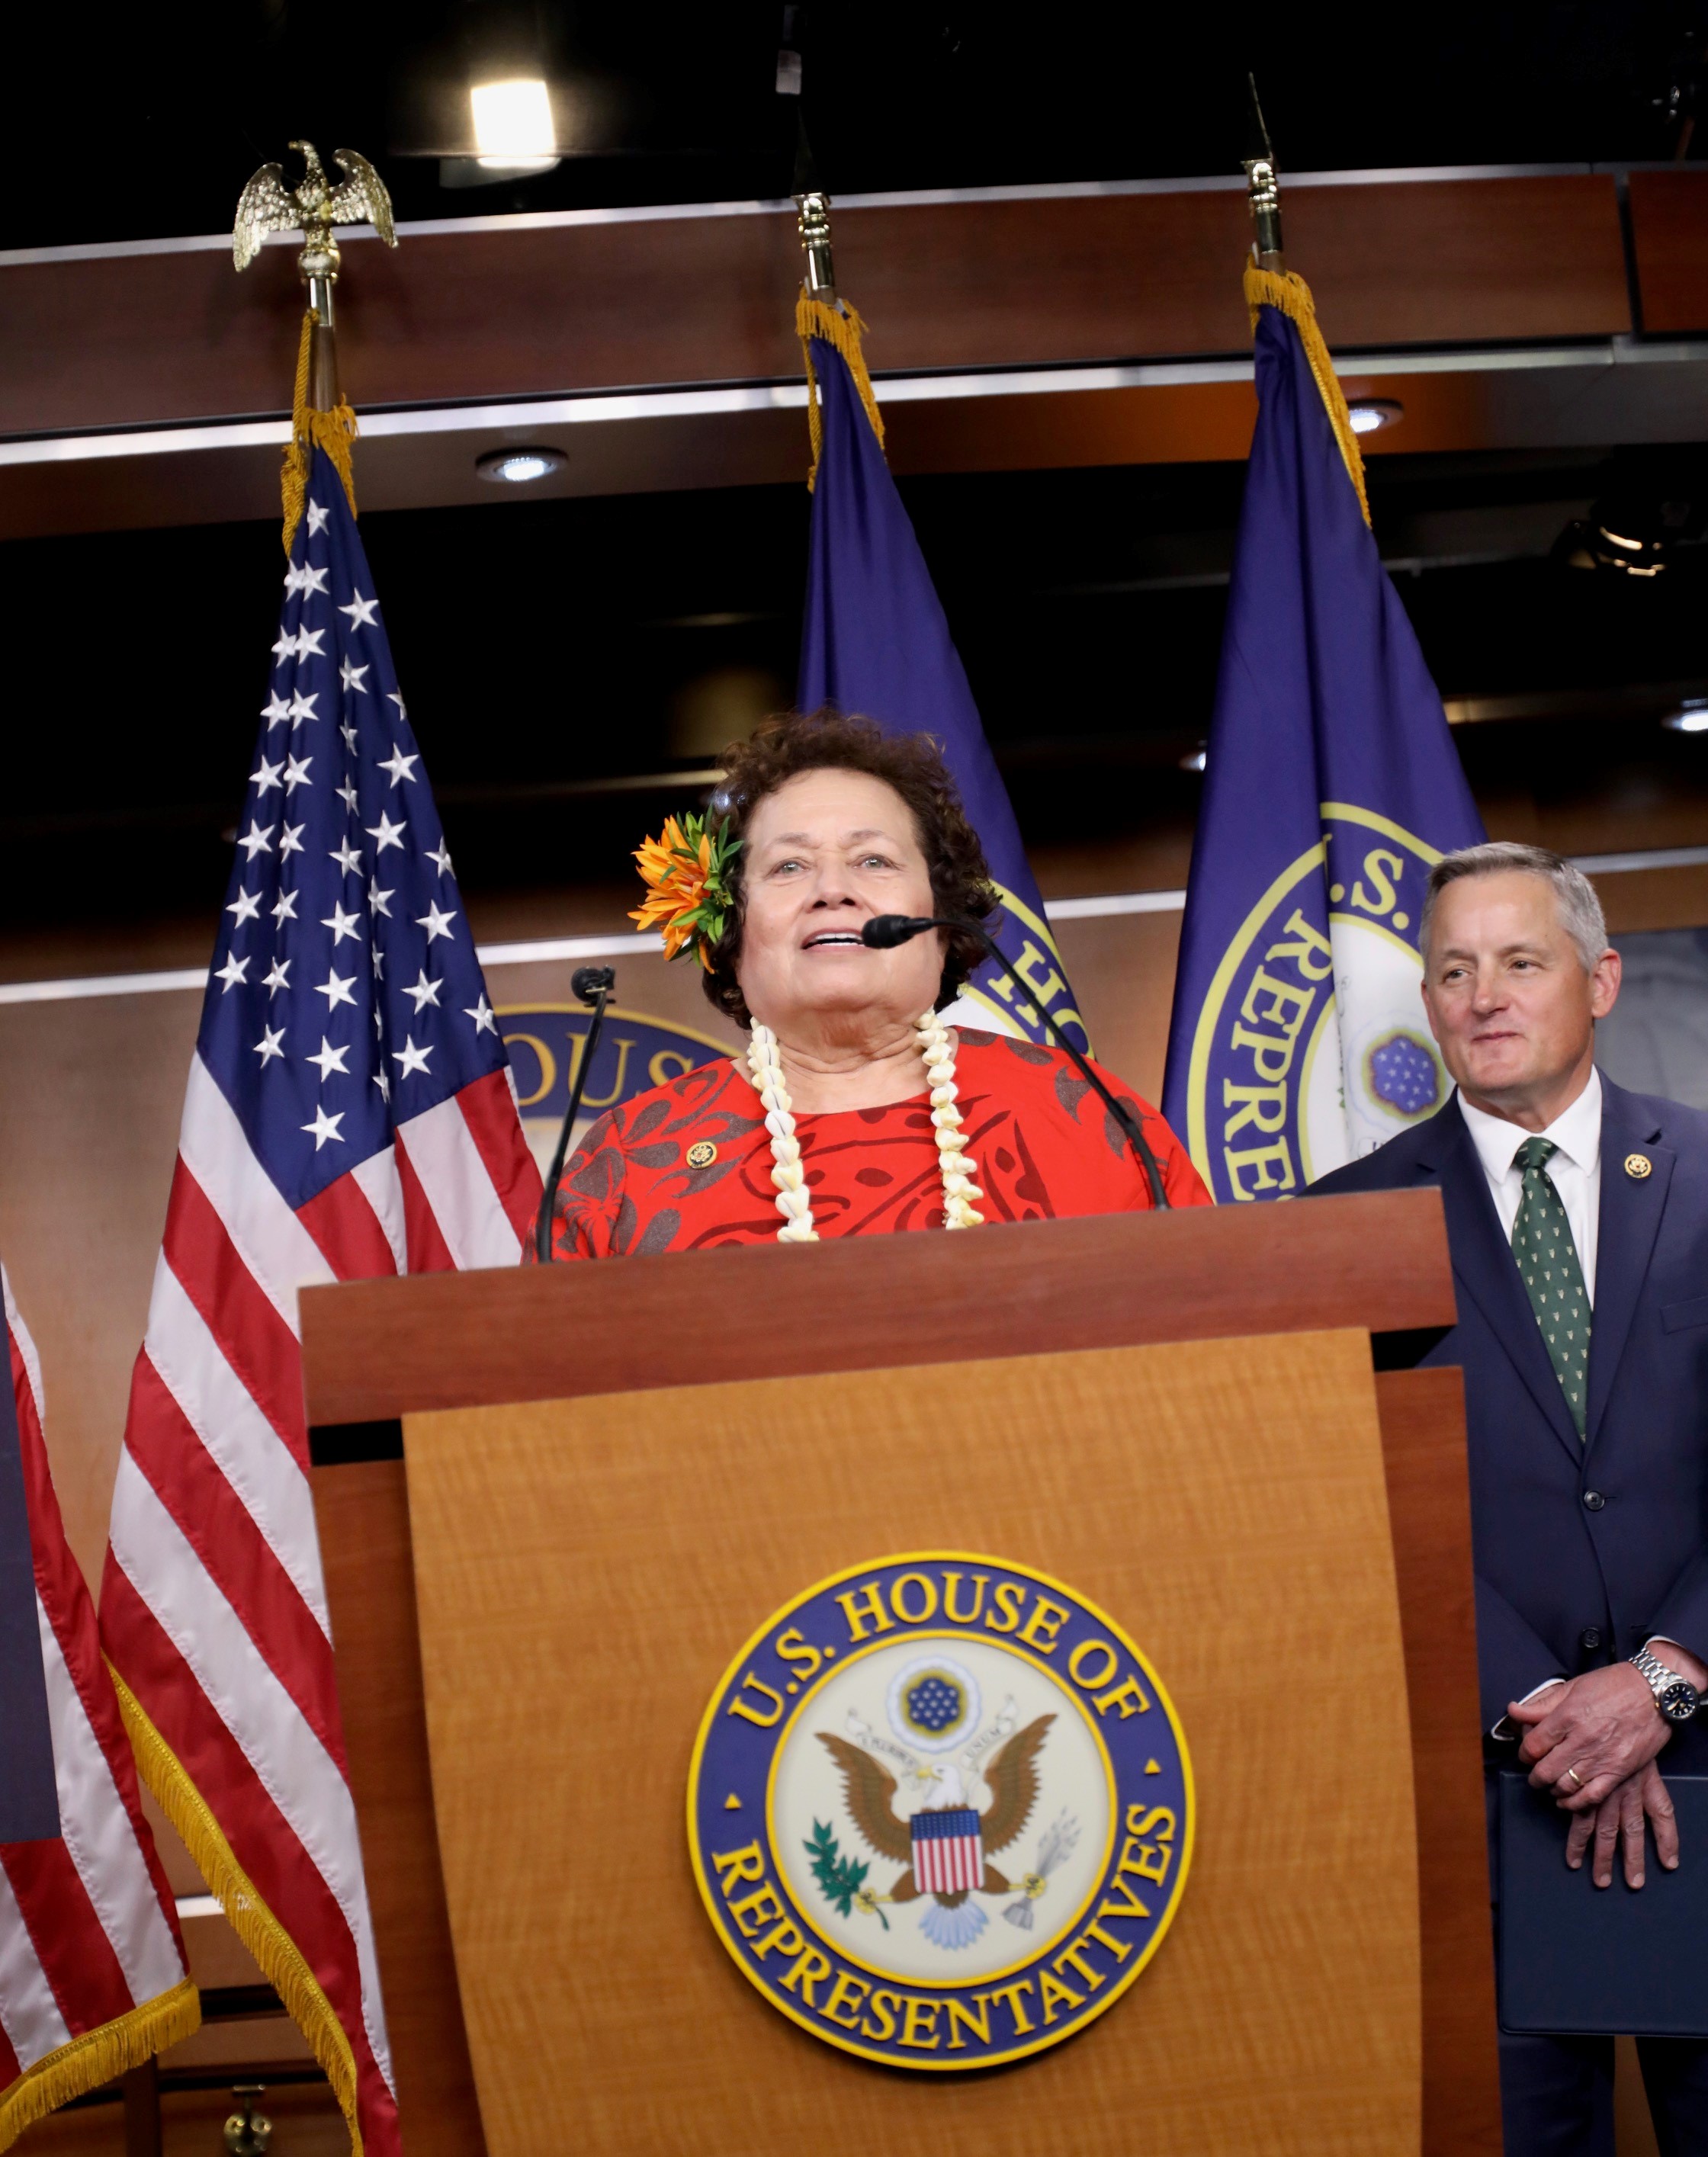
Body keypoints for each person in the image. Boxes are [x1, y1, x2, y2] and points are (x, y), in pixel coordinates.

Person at [1309, 840, 1708, 2156]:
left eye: (1520, 961)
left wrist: (1660, 1678)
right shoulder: (1342, 1225)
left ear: (1598, 979)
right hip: (1491, 1802)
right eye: (1453, 968)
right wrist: (1547, 1708)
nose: (1484, 993)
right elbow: (1345, 1494)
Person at [527, 708, 1207, 1260]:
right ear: (730, 934)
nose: (832, 890)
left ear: (943, 923)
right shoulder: (627, 1162)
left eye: (873, 860)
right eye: (789, 867)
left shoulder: (1089, 1116)